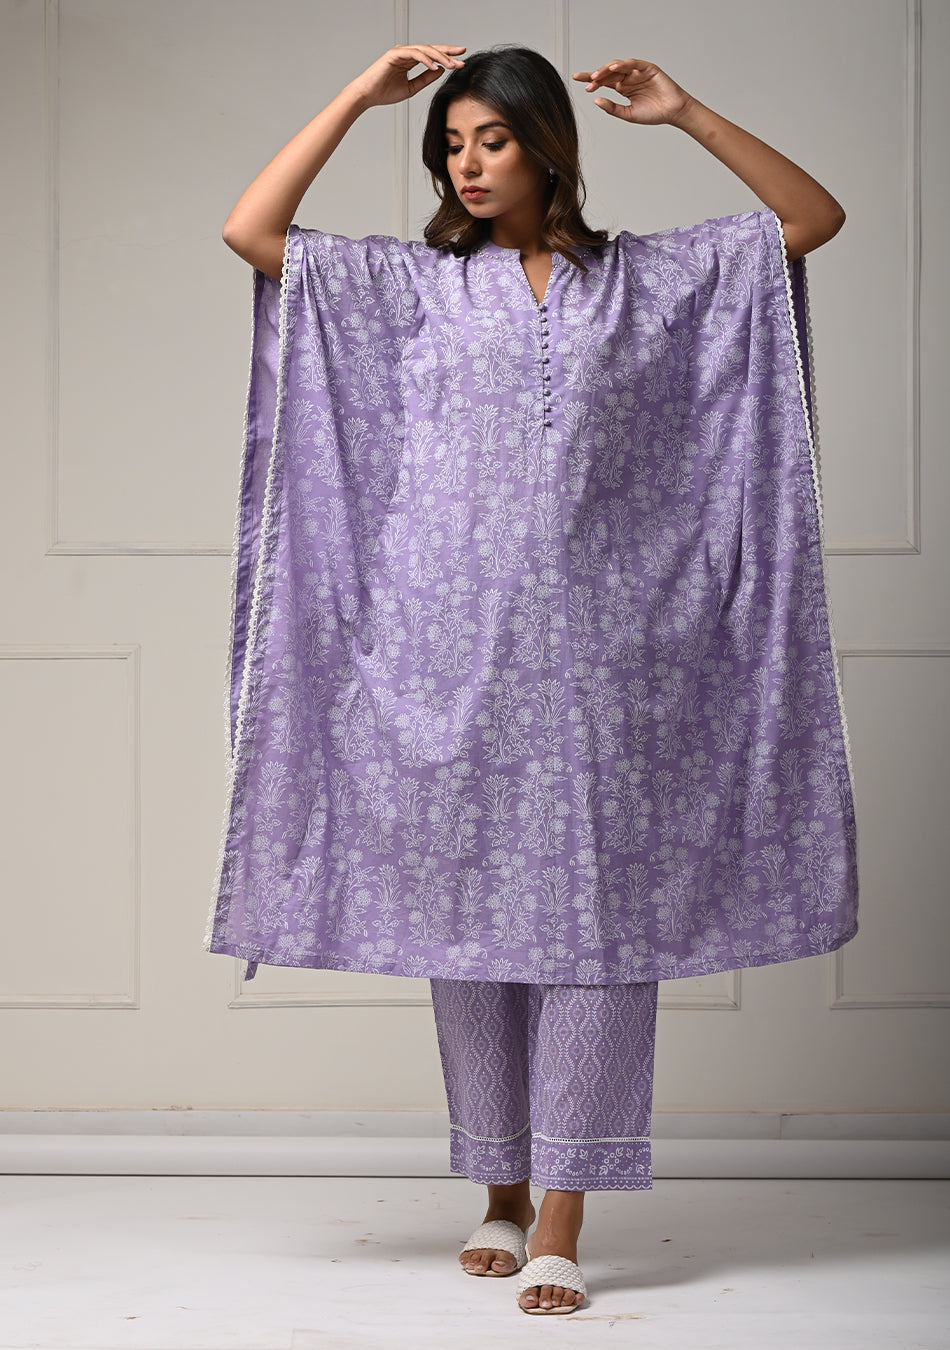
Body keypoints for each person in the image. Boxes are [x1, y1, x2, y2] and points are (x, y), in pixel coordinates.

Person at [210, 43, 856, 1316]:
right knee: (470, 927)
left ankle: (563, 1208)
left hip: (617, 668)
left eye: (490, 139)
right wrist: (355, 99)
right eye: (450, 144)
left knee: (600, 930)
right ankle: (498, 1188)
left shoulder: (648, 282)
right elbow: (252, 230)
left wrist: (684, 113)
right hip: (450, 662)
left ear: (547, 146)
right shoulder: (413, 288)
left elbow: (808, 219)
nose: (466, 163)